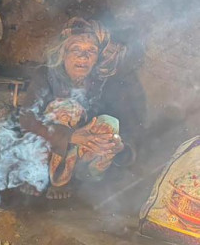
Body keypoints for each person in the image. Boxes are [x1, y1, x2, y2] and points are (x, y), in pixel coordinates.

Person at [18, 18, 133, 199]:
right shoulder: (46, 76)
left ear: (97, 58)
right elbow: (26, 120)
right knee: (66, 108)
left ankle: (82, 180)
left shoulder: (105, 83)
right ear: (63, 53)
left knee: (109, 124)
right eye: (76, 49)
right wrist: (70, 136)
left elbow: (125, 122)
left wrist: (119, 145)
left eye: (91, 51)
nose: (83, 57)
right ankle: (40, 177)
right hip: (45, 148)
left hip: (80, 154)